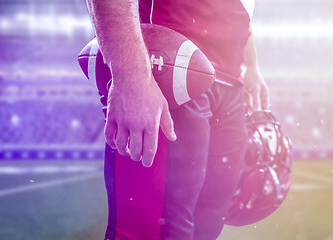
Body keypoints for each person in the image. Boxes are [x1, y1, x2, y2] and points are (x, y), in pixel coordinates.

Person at [86, 0, 269, 239]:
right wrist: (131, 77)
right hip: (170, 61)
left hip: (230, 79)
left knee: (206, 225)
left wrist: (250, 64)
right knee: (152, 231)